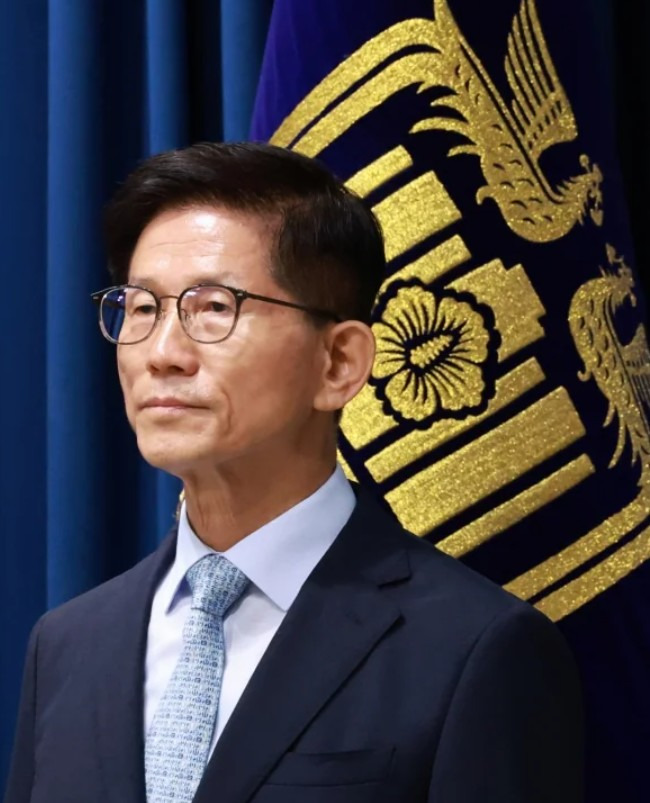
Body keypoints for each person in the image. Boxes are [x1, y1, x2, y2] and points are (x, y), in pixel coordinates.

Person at [4, 142, 583, 803]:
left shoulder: (476, 647)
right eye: (141, 307)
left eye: (213, 307)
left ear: (339, 362)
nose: (161, 353)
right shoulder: (66, 645)